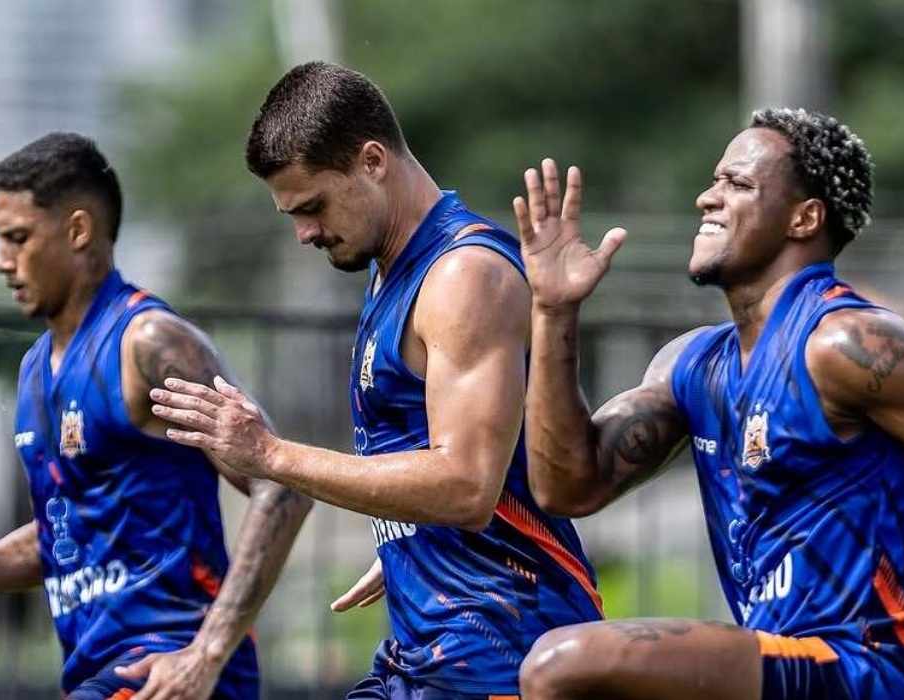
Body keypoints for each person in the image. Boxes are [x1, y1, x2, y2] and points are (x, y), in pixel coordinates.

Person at [509, 109, 904, 699]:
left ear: (804, 217)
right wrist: (554, 310)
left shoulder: (842, 343)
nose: (706, 199)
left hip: (861, 670)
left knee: (561, 664)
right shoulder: (692, 365)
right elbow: (569, 488)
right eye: (714, 181)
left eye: (736, 184)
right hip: (778, 661)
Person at [148, 61, 603, 699]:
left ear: (371, 161)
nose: (304, 232)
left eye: (312, 207)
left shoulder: (461, 276)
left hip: (502, 651)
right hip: (429, 651)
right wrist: (409, 541)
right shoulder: (391, 269)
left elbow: (467, 486)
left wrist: (270, 455)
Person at [0, 133, 311, 700]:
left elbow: (281, 489)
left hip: (166, 669)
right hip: (97, 674)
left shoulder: (150, 343)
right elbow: (68, 533)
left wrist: (205, 654)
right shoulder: (35, 368)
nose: (1, 262)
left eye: (17, 239)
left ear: (78, 231)